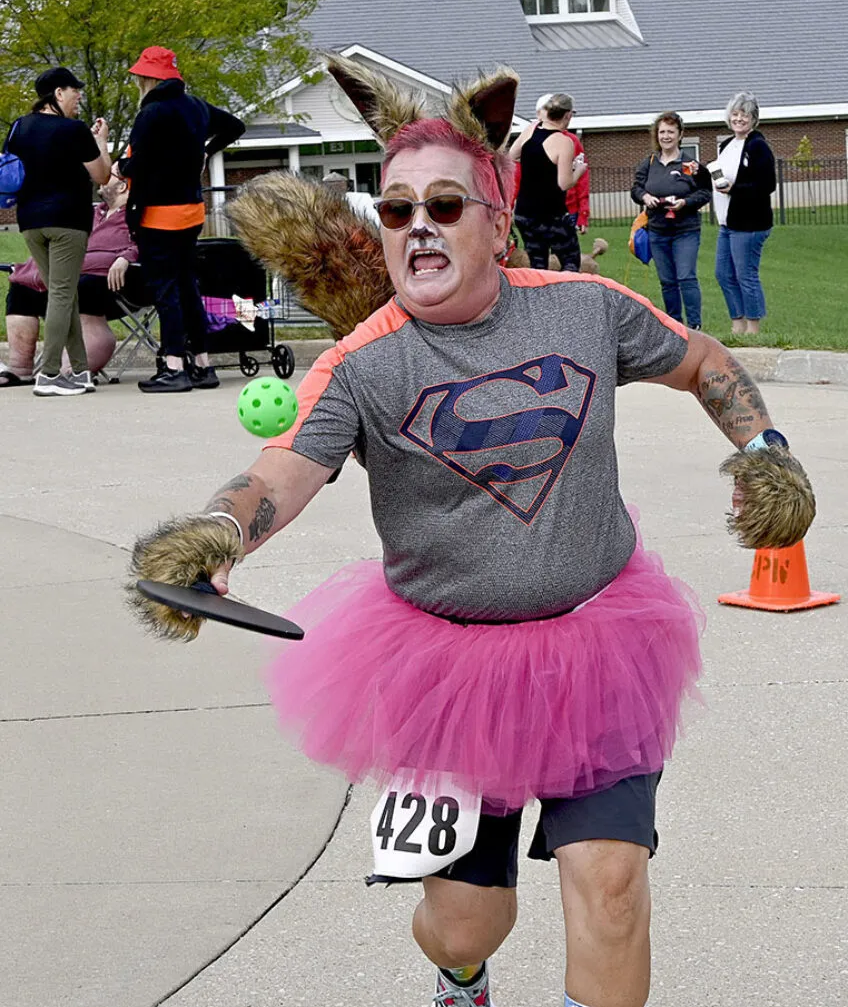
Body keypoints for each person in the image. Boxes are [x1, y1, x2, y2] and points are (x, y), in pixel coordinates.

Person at [129, 58, 814, 1007]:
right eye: (397, 209)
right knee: (464, 921)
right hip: (445, 668)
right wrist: (214, 535)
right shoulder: (363, 361)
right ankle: (462, 978)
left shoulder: (585, 309)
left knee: (609, 887)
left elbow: (701, 358)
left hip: (600, 641)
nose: (417, 227)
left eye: (444, 206)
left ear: (495, 219)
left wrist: (766, 446)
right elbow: (280, 472)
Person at [118, 45, 245, 392]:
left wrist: (121, 167)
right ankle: (203, 364)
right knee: (188, 285)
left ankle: (174, 366)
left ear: (148, 78)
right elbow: (236, 125)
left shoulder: (152, 113)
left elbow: (139, 164)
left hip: (158, 216)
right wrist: (206, 149)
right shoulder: (196, 107)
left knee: (167, 291)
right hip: (191, 212)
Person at [3, 66, 112, 396]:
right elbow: (103, 176)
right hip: (68, 222)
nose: (79, 95)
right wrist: (102, 143)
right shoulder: (73, 130)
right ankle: (49, 374)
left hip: (31, 222)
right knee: (63, 294)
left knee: (62, 293)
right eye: (73, 90)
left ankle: (78, 371)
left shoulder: (19, 127)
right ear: (57, 94)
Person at [0, 166, 149, 387]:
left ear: (122, 185)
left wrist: (127, 256)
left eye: (110, 173)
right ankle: (19, 369)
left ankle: (73, 369)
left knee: (81, 287)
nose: (102, 175)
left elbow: (154, 244)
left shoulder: (138, 214)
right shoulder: (92, 212)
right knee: (23, 289)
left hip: (116, 282)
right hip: (68, 274)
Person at [631, 112, 712, 331]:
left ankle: (695, 326)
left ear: (680, 135)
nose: (666, 136)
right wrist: (645, 197)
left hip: (685, 230)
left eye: (671, 132)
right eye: (662, 132)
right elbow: (636, 188)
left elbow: (705, 192)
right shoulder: (649, 163)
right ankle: (675, 325)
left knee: (686, 276)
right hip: (657, 230)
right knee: (667, 281)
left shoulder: (689, 164)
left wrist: (685, 202)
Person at [712, 92, 776, 336]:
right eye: (735, 114)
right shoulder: (727, 145)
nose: (739, 119)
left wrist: (734, 189)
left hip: (750, 224)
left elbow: (767, 184)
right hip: (727, 222)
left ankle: (753, 328)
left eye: (744, 115)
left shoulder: (758, 146)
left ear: (753, 119)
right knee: (723, 274)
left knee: (745, 274)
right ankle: (737, 323)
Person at [508, 93, 587, 270]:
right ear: (568, 115)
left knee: (537, 265)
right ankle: (568, 297)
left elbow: (513, 155)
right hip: (551, 215)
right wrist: (578, 170)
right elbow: (564, 183)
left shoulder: (531, 129)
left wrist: (536, 164)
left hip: (525, 213)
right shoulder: (564, 142)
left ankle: (540, 295)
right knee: (570, 262)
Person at [534, 93, 590, 234]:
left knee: (565, 255)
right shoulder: (530, 141)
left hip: (567, 211)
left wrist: (583, 213)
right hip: (538, 211)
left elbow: (582, 181)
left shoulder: (572, 141)